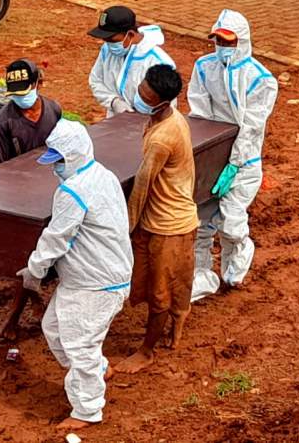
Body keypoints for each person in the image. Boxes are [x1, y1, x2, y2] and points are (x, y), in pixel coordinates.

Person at [17, 119, 133, 430]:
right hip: (97, 274)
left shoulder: (73, 190)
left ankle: (87, 409)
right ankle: (98, 369)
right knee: (53, 327)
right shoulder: (102, 175)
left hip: (95, 282)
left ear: (74, 155)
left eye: (60, 162)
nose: (55, 168)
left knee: (80, 345)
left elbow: (57, 237)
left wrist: (34, 270)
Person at [187, 10, 278, 300]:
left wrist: (234, 163)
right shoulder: (204, 67)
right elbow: (200, 114)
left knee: (231, 220)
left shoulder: (261, 80)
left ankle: (238, 256)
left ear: (242, 42)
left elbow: (251, 127)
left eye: (229, 42)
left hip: (244, 162)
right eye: (218, 41)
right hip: (212, 158)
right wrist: (205, 156)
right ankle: (201, 274)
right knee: (200, 221)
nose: (222, 48)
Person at [114, 65, 199, 374]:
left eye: (145, 94)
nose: (139, 95)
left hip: (167, 225)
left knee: (159, 292)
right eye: (141, 88)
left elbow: (141, 186)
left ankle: (147, 351)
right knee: (177, 280)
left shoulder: (162, 137)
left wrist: (125, 228)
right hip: (177, 215)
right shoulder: (172, 119)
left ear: (161, 101)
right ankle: (176, 329)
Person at [0, 58, 64, 340]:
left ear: (38, 84)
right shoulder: (2, 123)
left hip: (54, 192)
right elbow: (1, 170)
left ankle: (32, 302)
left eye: (26, 92)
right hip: (22, 200)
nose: (22, 99)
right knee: (27, 259)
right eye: (16, 94)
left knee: (46, 255)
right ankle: (16, 314)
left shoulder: (53, 110)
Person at [88, 5, 175, 118]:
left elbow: (166, 106)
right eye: (105, 40)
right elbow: (95, 80)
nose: (108, 44)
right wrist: (114, 102)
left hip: (150, 126)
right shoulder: (108, 49)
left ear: (130, 35)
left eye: (112, 40)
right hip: (117, 122)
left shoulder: (159, 62)